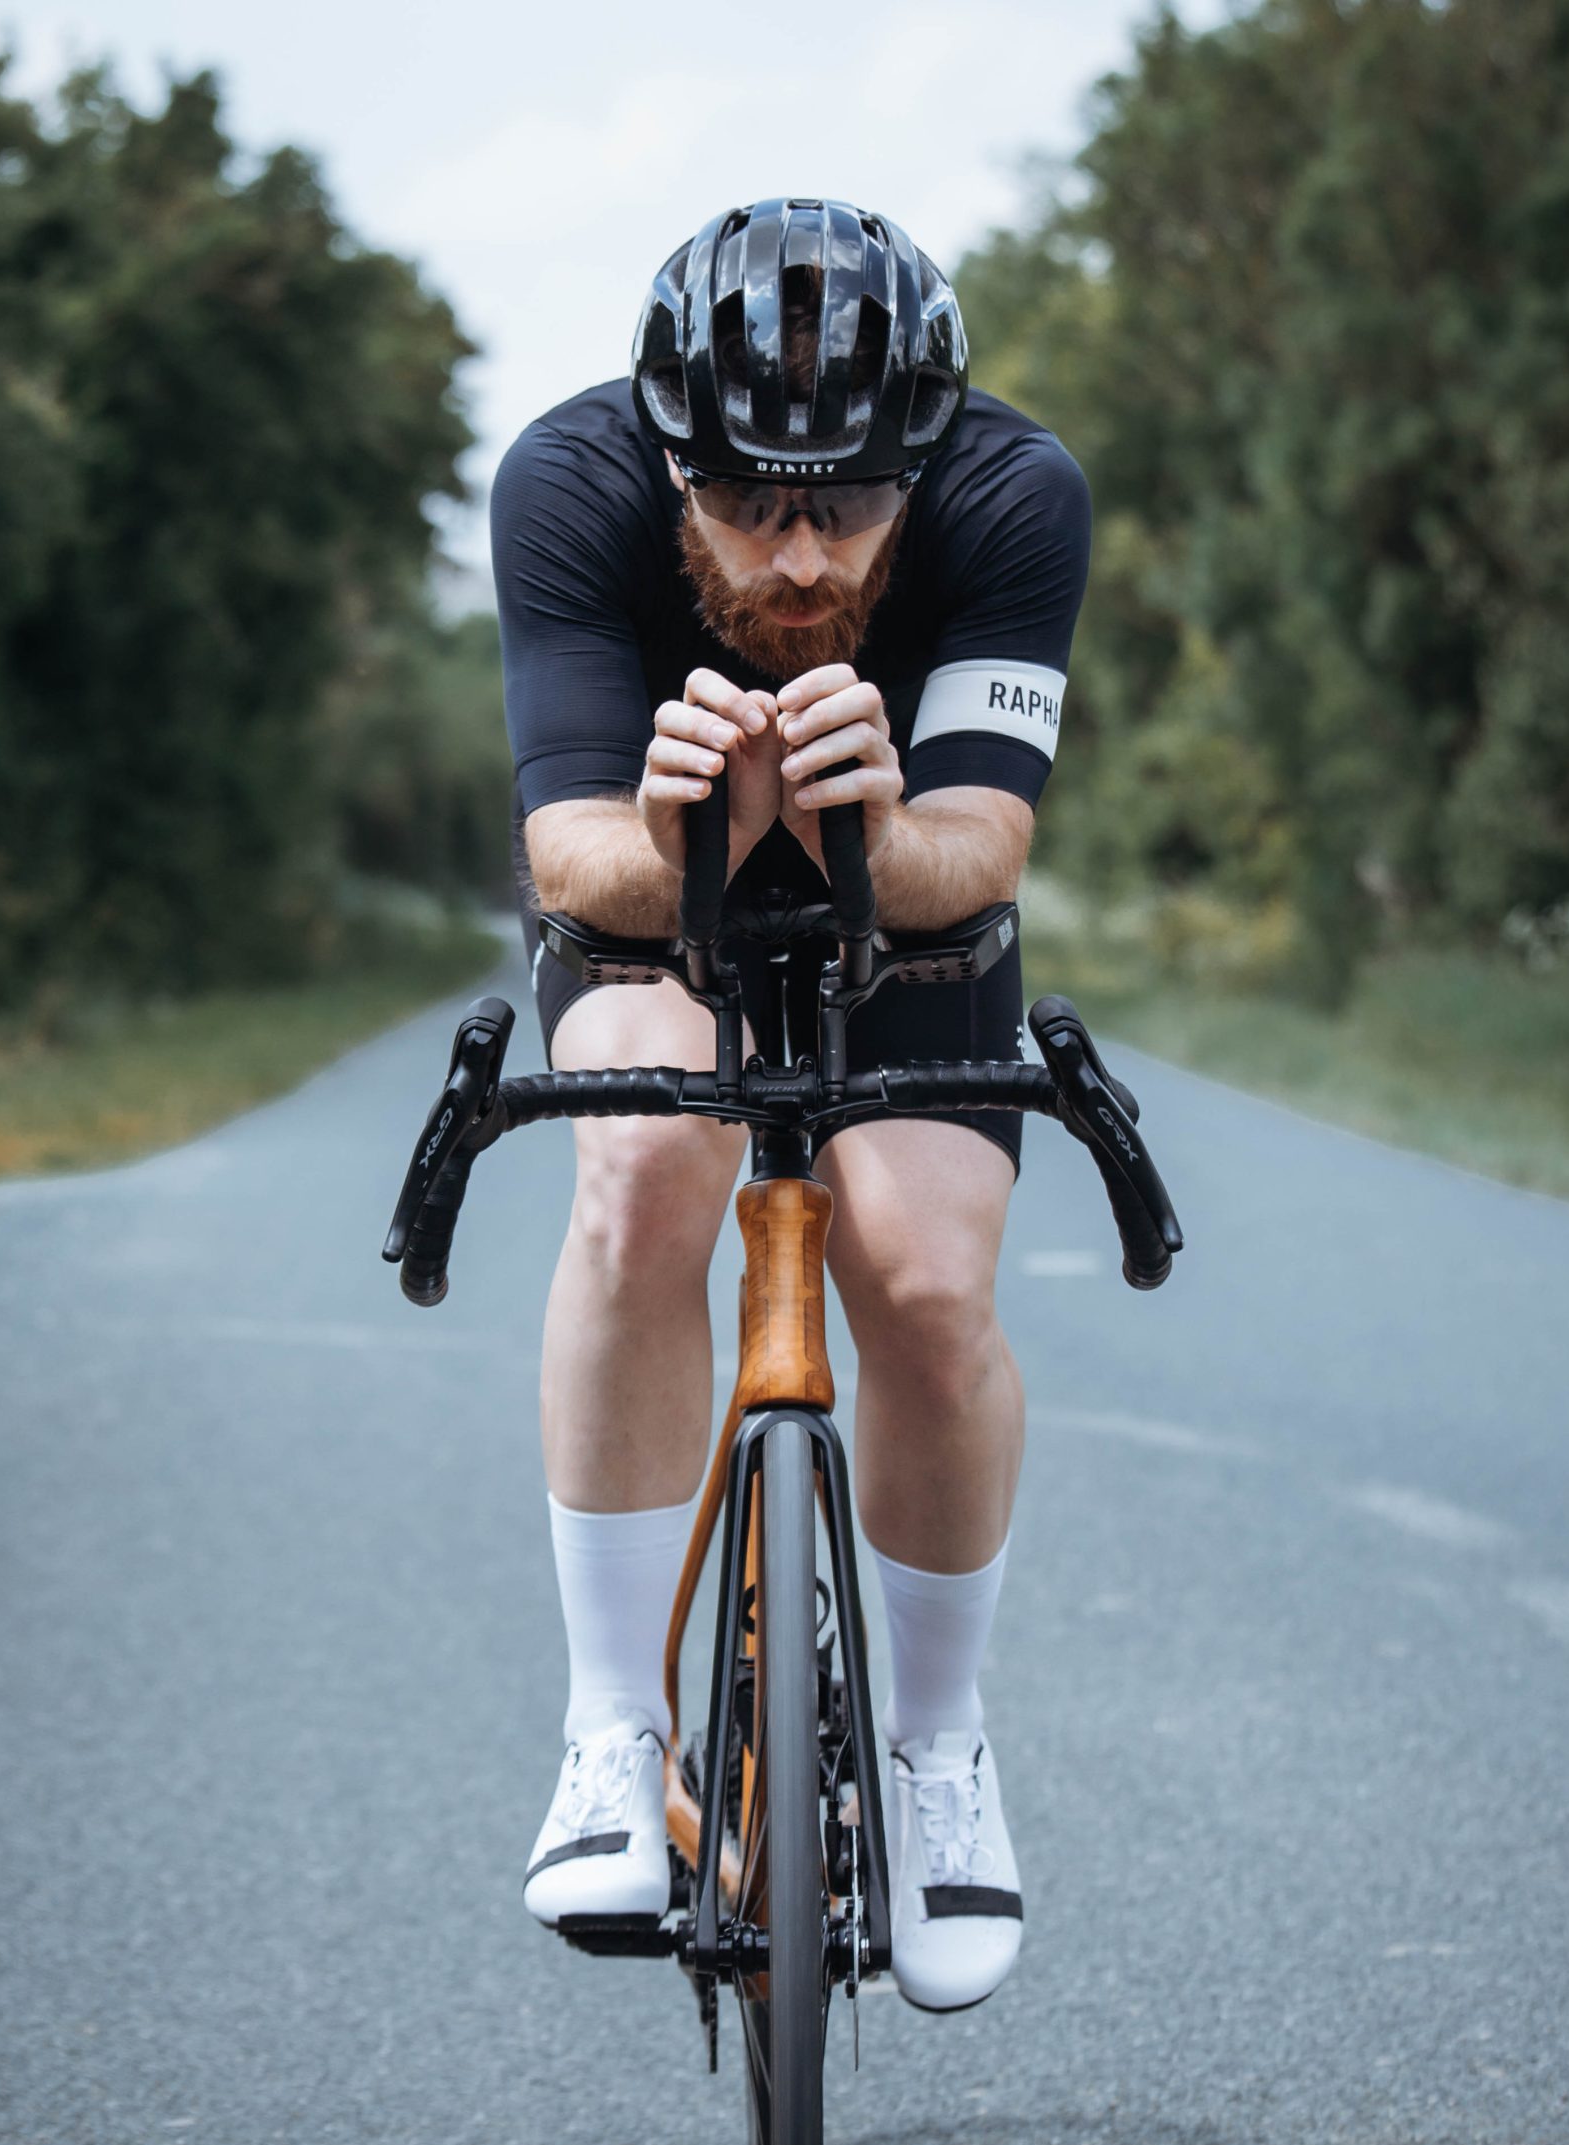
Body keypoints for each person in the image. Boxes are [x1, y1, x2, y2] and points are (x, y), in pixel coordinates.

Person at [492, 198, 1089, 2012]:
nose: (805, 556)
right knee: (640, 1178)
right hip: (654, 904)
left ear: (922, 461)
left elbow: (983, 845)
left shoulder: (1014, 494)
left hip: (904, 909)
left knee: (926, 1278)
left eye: (851, 504)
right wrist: (689, 828)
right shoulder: (570, 483)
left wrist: (875, 830)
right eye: (751, 504)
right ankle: (614, 1734)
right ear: (677, 459)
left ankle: (939, 1752)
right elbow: (570, 855)